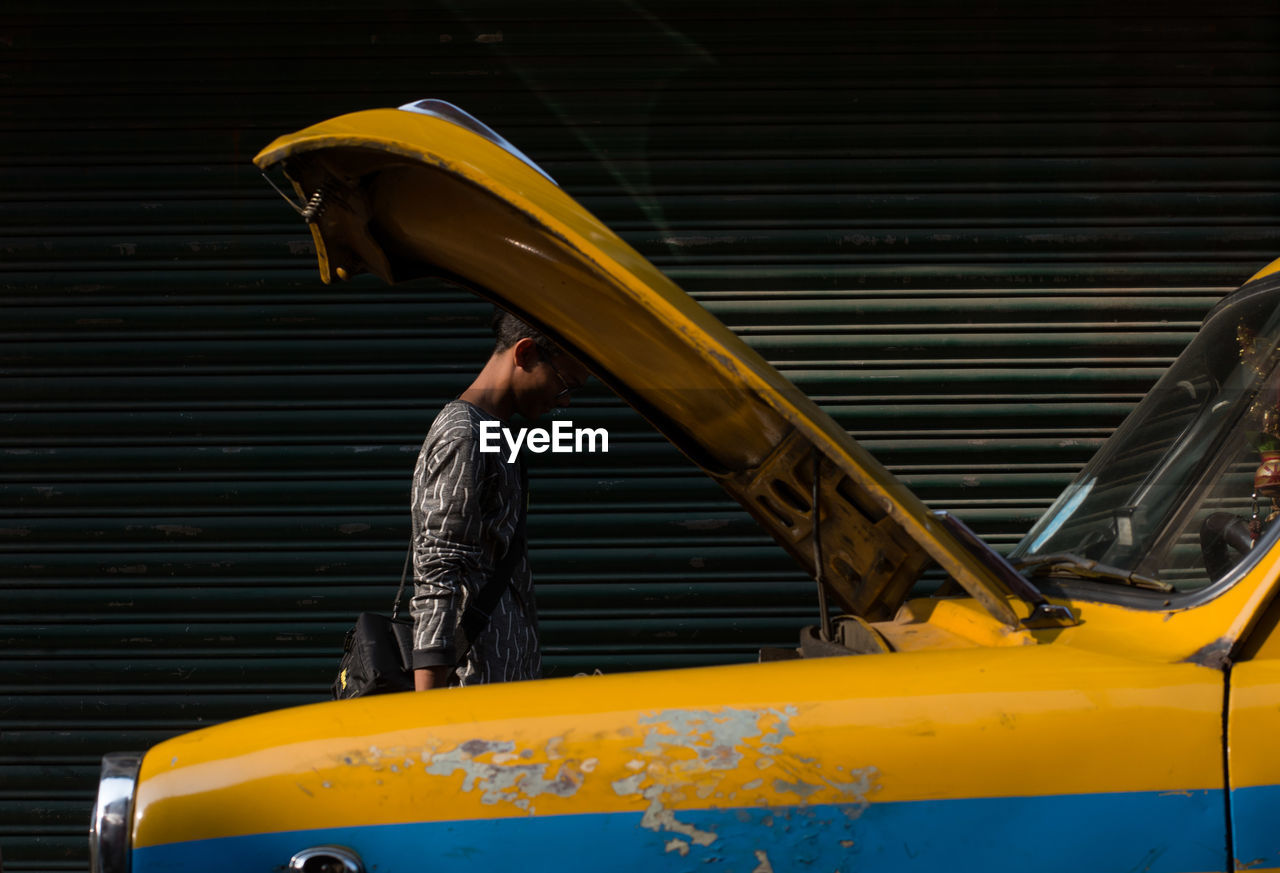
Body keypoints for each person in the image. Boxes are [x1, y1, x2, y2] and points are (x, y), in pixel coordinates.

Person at [409, 308, 589, 690]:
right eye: (564, 385)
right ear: (524, 354)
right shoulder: (464, 434)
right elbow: (436, 570)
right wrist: (423, 711)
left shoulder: (495, 433)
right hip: (471, 692)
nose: (565, 402)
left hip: (501, 684)